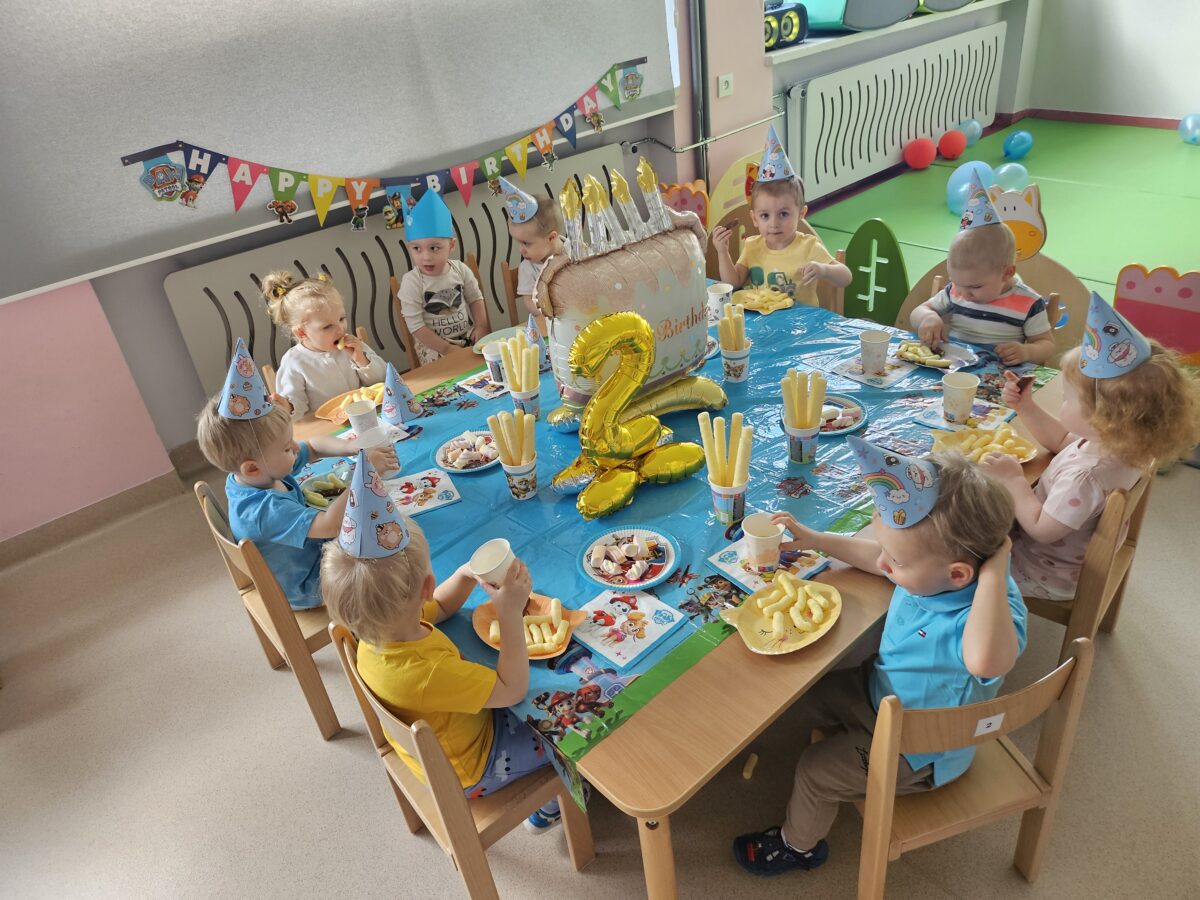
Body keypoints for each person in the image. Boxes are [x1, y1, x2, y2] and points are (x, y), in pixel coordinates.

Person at [733, 437, 1026, 876]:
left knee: (815, 771)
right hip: (880, 694)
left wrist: (996, 571)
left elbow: (986, 661)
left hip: (919, 750)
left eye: (898, 562)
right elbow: (877, 557)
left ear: (959, 575)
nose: (886, 566)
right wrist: (817, 540)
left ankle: (799, 847)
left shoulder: (992, 613)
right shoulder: (929, 570)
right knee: (807, 688)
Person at [320, 453, 576, 832]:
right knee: (573, 719)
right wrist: (509, 613)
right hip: (478, 765)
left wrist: (466, 574)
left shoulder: (378, 629)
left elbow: (439, 606)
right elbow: (512, 689)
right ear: (427, 584)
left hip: (435, 749)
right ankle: (548, 806)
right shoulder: (428, 672)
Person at [984, 292, 1200, 600]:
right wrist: (1026, 406)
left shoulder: (1085, 477)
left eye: (1067, 398)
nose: (1062, 402)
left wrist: (1014, 480)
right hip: (1063, 558)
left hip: (1041, 570)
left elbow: (1041, 529)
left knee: (957, 553)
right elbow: (1060, 441)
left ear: (1103, 418)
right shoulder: (1120, 445)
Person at [196, 340, 396, 610]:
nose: (294, 448)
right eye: (286, 447)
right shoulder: (264, 510)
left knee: (381, 522)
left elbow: (312, 446)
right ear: (252, 467)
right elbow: (331, 525)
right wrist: (365, 474)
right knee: (393, 547)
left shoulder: (257, 474)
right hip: (311, 584)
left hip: (313, 553)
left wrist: (352, 447)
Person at [909, 173, 1055, 365]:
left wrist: (1027, 352)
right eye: (956, 282)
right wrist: (927, 317)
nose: (964, 293)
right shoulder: (955, 291)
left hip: (1000, 376)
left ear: (1007, 273)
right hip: (953, 370)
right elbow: (917, 312)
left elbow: (1047, 345)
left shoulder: (1028, 302)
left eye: (975, 287)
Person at [712, 125, 850, 307]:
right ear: (754, 218)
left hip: (800, 322)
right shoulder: (752, 247)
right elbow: (733, 283)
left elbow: (846, 277)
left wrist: (823, 269)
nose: (774, 223)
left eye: (783, 214)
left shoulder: (808, 247)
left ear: (801, 214)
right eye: (765, 215)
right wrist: (722, 252)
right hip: (761, 321)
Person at [261, 270, 387, 418]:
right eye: (327, 327)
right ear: (301, 333)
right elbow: (297, 411)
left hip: (366, 416)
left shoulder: (353, 345)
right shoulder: (294, 362)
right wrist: (288, 406)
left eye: (341, 319)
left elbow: (383, 380)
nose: (340, 329)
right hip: (328, 428)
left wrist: (361, 360)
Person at [397, 189, 490, 365]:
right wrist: (446, 349)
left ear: (451, 245)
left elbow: (475, 298)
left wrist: (481, 326)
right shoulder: (412, 282)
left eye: (434, 248)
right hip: (434, 346)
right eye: (417, 249)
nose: (426, 257)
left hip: (467, 336)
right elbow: (416, 326)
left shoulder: (460, 269)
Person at [500, 177, 565, 320]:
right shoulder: (528, 268)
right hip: (551, 321)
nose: (521, 250)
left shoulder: (575, 250)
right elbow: (529, 301)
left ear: (551, 237)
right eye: (518, 242)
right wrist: (551, 315)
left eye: (526, 243)